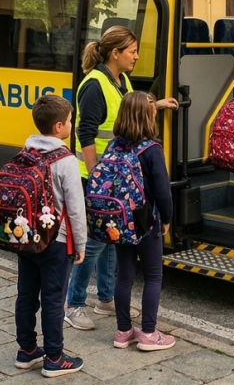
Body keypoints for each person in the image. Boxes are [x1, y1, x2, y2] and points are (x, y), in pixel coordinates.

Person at [65, 25, 178, 330]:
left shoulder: (121, 79)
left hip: (116, 177)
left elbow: (129, 111)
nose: (136, 57)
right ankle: (73, 303)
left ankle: (104, 298)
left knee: (113, 239)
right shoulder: (94, 84)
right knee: (95, 243)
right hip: (97, 178)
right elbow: (85, 133)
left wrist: (157, 105)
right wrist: (98, 178)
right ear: (115, 53)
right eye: (131, 51)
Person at [10, 95, 88, 376]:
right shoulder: (66, 160)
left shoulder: (27, 150)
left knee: (26, 295)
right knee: (54, 298)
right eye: (69, 121)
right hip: (56, 241)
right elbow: (76, 208)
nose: (71, 124)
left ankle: (27, 350)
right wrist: (80, 244)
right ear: (58, 127)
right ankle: (54, 357)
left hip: (27, 237)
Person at [109, 92, 176, 351]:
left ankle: (123, 330)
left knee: (123, 275)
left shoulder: (114, 145)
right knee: (153, 275)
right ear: (147, 116)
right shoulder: (151, 149)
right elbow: (162, 190)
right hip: (147, 220)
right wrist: (167, 219)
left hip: (120, 220)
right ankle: (149, 333)